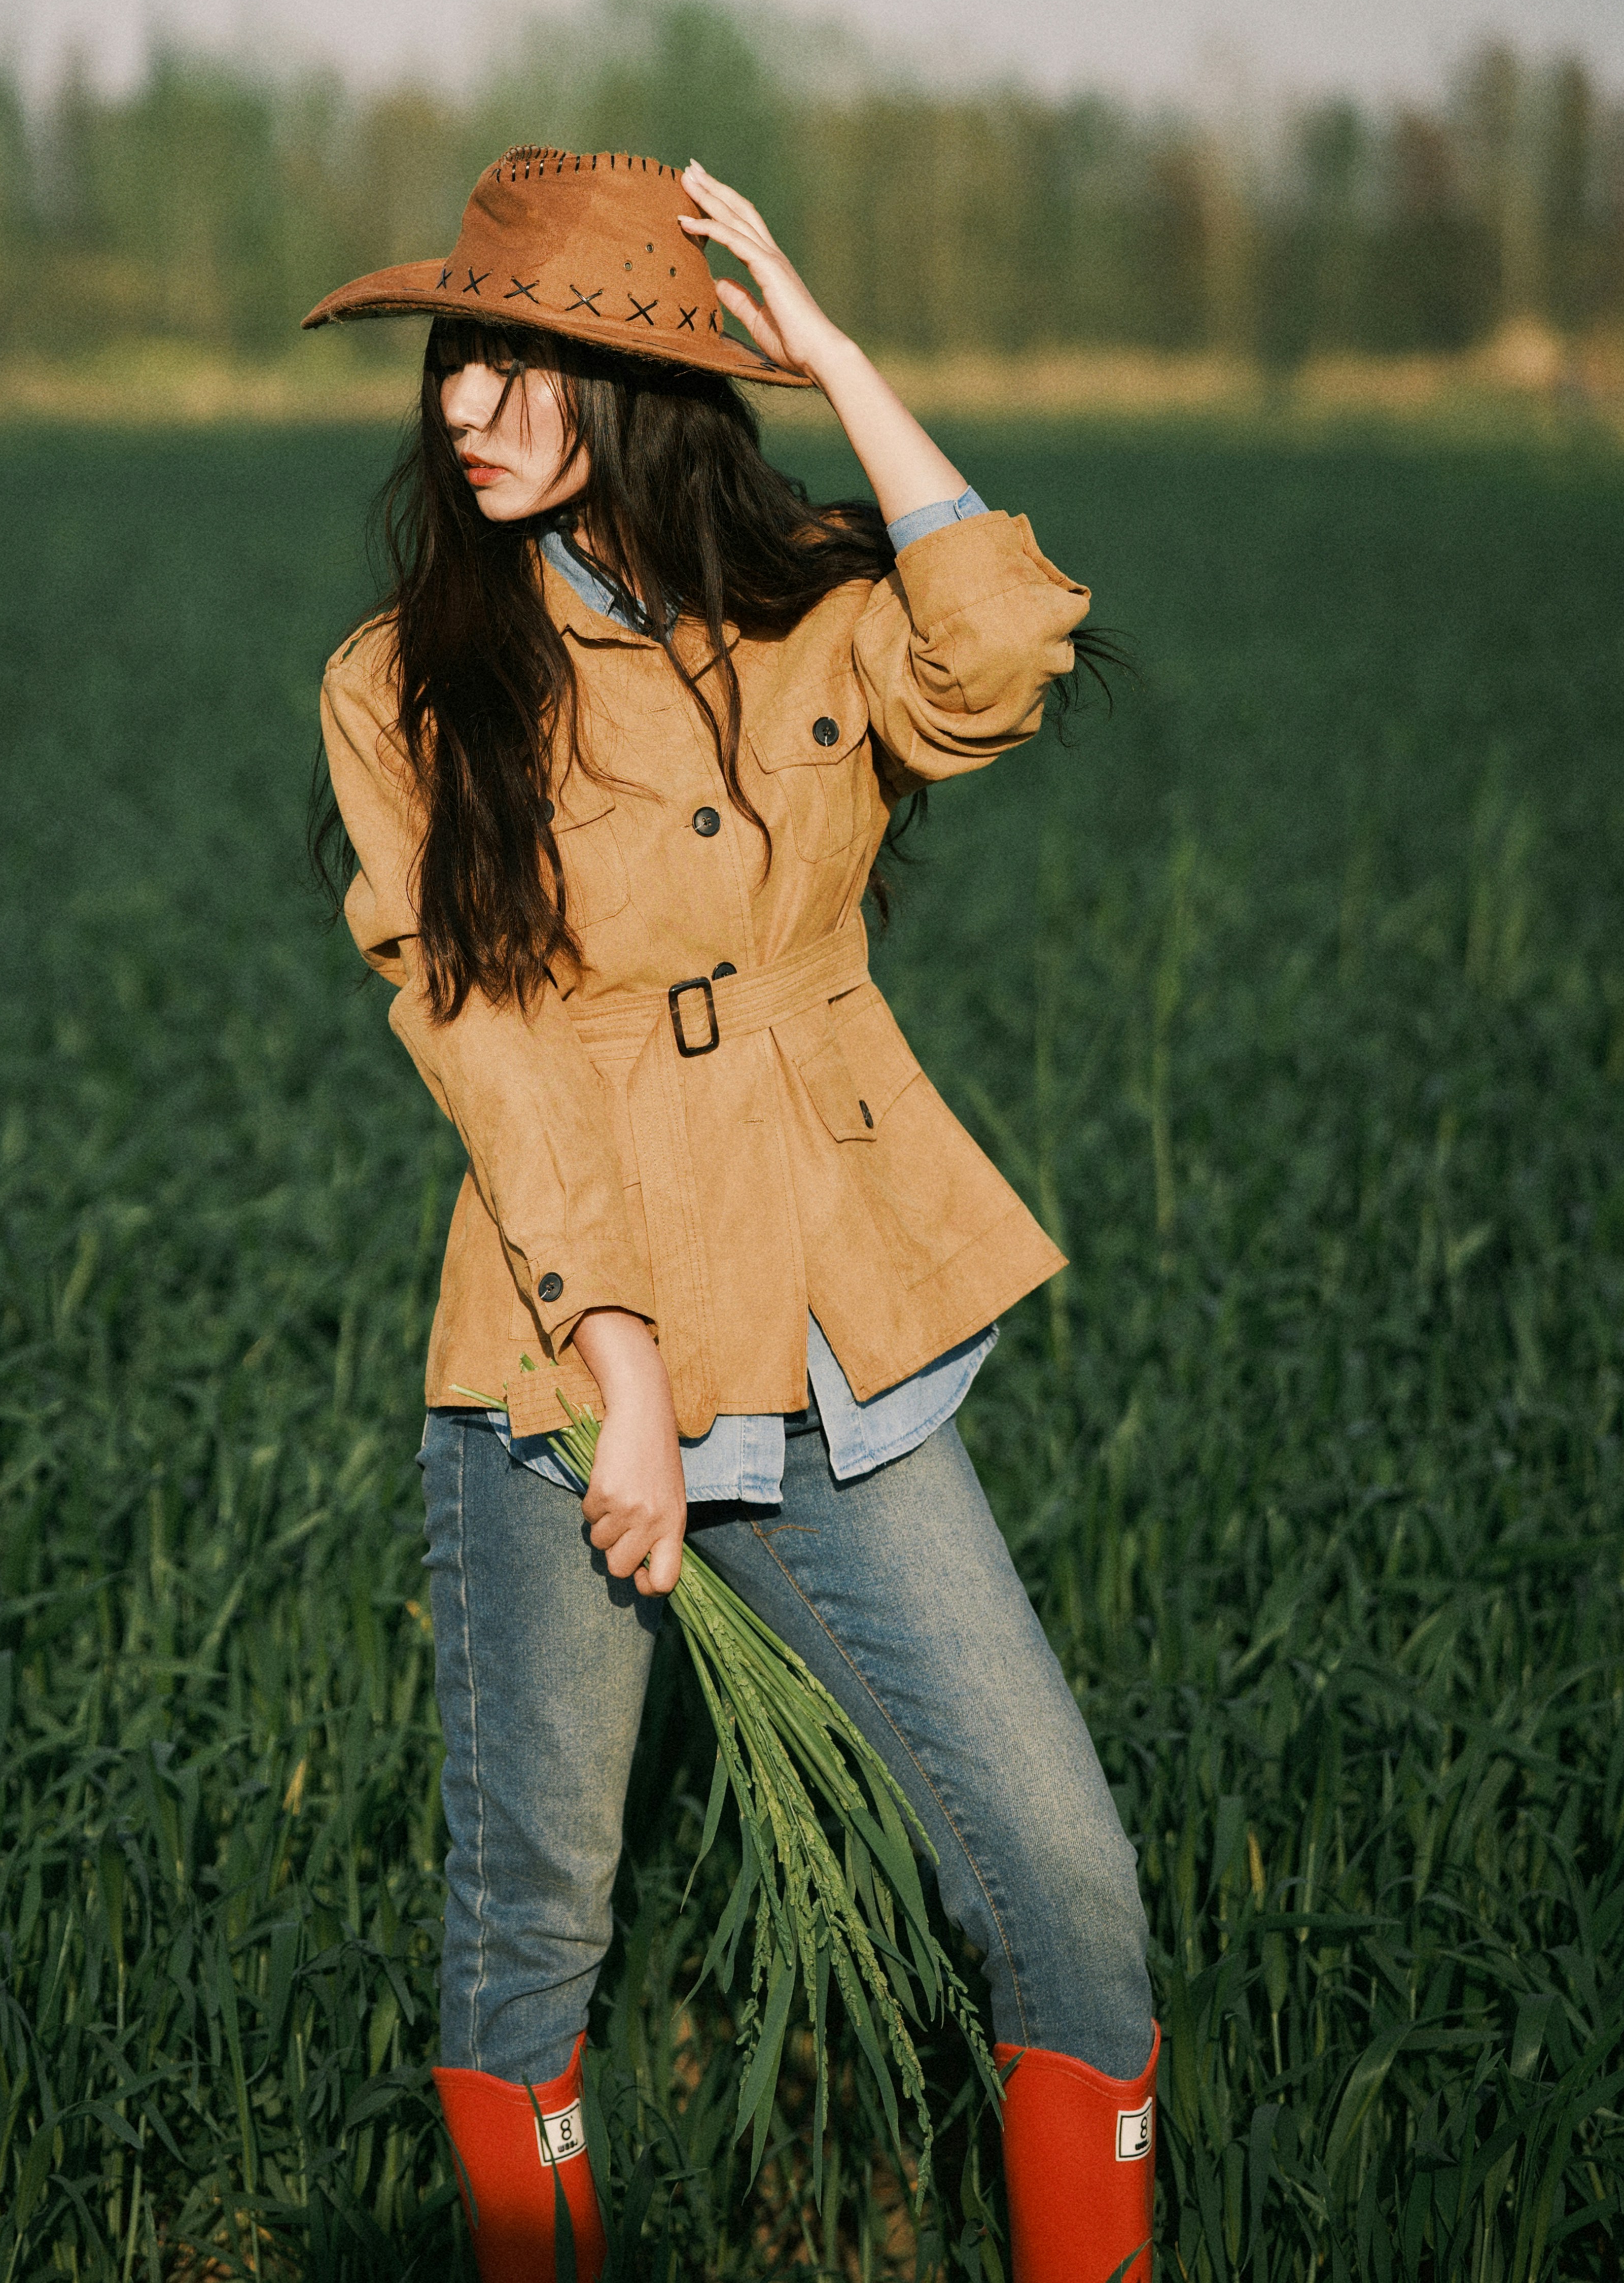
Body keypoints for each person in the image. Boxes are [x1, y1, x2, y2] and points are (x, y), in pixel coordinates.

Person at [308, 147, 1160, 2283]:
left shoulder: (810, 610)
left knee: (1061, 1882)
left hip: (832, 1300)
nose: (478, 407)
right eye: (459, 360)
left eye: (540, 361)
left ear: (648, 382)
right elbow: (488, 1045)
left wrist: (842, 357)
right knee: (536, 1929)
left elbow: (1000, 652)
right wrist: (620, 1376)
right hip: (552, 1340)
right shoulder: (405, 677)